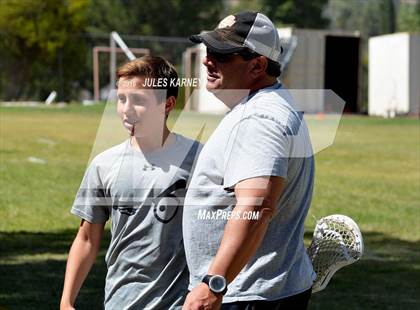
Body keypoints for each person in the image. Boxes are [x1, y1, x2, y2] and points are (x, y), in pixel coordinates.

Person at [182, 11, 315, 310]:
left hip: (246, 295)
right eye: (209, 49)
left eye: (222, 54)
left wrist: (213, 284)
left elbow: (256, 207)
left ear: (257, 65)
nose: (207, 59)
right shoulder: (266, 105)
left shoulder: (259, 118)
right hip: (256, 289)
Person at [60, 56, 201, 310]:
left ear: (167, 104)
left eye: (138, 100)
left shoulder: (199, 159)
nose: (126, 109)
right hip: (120, 301)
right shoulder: (104, 164)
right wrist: (66, 301)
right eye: (122, 99)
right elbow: (87, 239)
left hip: (180, 303)